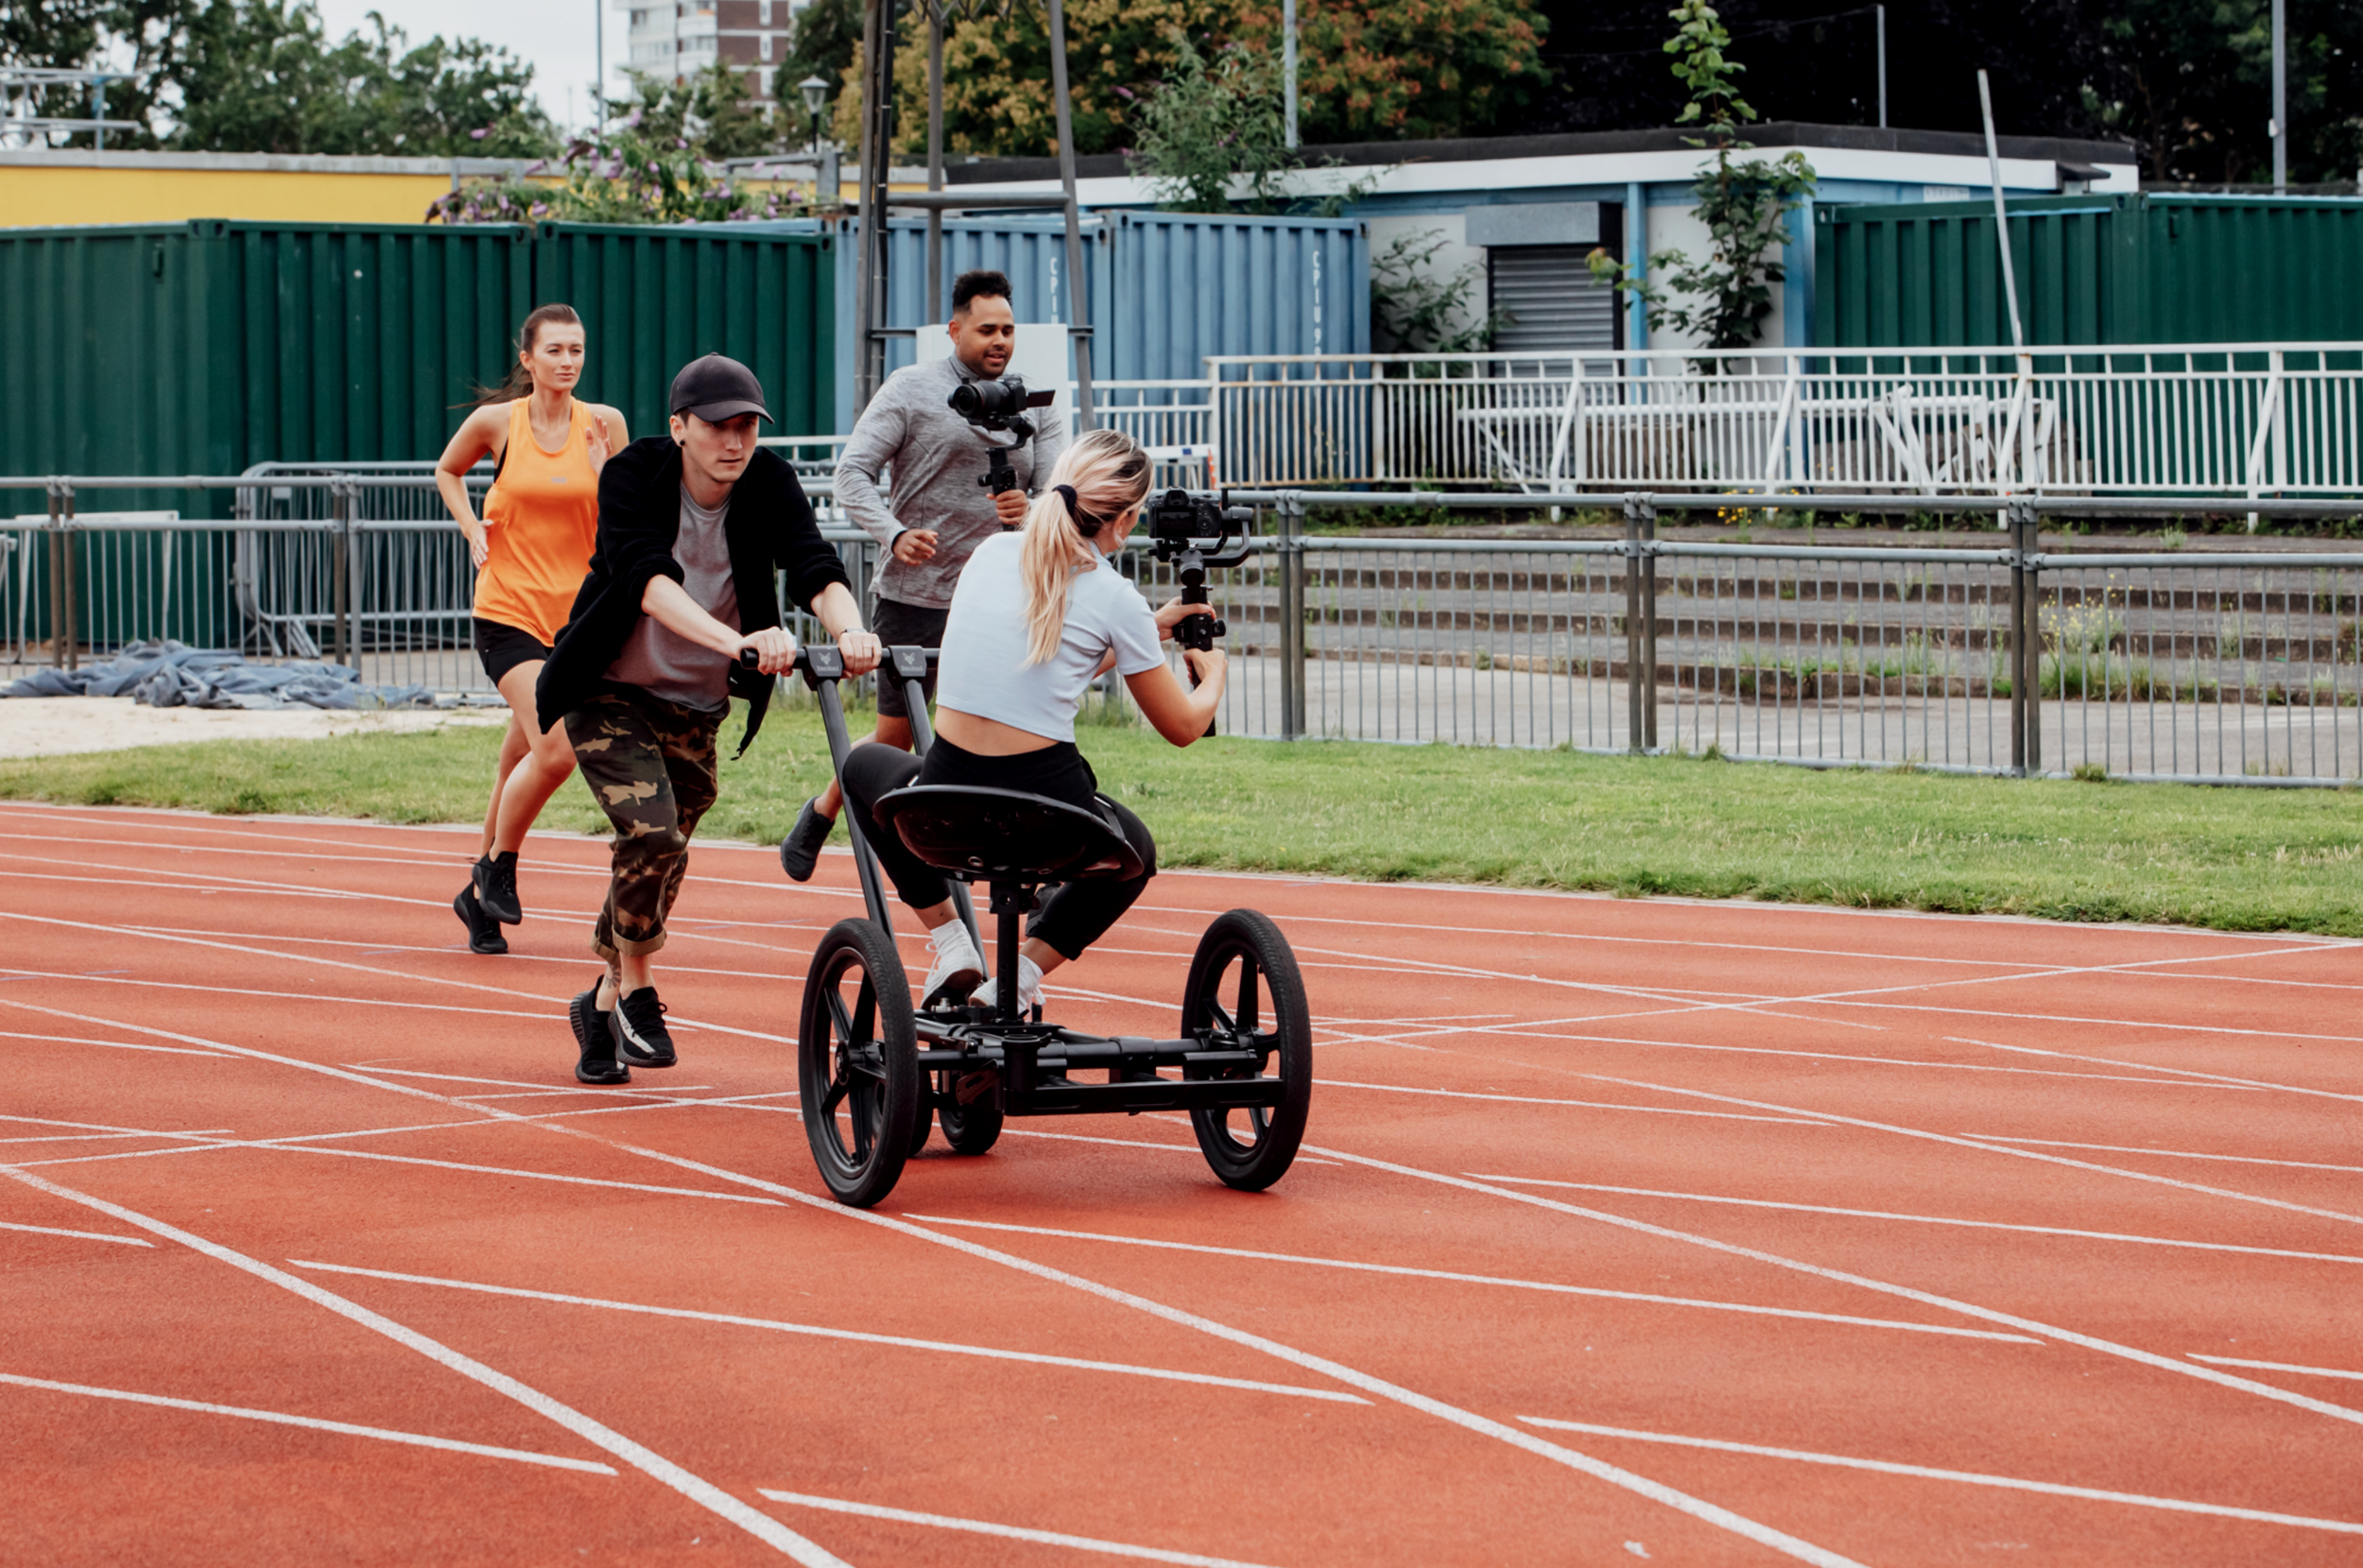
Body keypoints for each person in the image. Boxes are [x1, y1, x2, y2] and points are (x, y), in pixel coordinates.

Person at [537, 353, 882, 1085]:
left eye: (748, 426)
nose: (736, 441)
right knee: (651, 831)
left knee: (663, 855)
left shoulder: (769, 480)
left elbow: (812, 563)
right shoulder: (633, 475)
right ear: (679, 427)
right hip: (608, 687)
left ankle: (598, 1002)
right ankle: (636, 992)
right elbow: (647, 581)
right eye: (720, 426)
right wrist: (742, 643)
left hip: (695, 704)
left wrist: (851, 628)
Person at [838, 428, 1223, 1014]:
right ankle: (1017, 982)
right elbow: (1183, 726)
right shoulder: (1117, 598)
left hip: (946, 809)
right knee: (1135, 853)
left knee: (863, 764)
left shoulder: (990, 554)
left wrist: (1152, 628)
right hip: (1051, 824)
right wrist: (1215, 672)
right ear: (1124, 522)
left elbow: (1038, 667)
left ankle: (951, 943)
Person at [777, 267, 1067, 882]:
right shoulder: (911, 387)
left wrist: (1032, 509)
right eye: (987, 329)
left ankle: (1004, 863)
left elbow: (1061, 493)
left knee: (1006, 731)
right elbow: (852, 474)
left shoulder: (1036, 397)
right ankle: (823, 810)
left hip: (1002, 597)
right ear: (954, 329)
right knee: (896, 734)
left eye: (1009, 330)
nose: (1000, 341)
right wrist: (895, 532)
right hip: (918, 594)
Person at [434, 302, 629, 956]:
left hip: (575, 622)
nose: (568, 361)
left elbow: (628, 515)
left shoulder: (604, 424)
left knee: (520, 754)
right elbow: (446, 470)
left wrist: (607, 474)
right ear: (528, 359)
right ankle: (500, 866)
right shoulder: (497, 423)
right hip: (507, 611)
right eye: (554, 351)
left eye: (576, 349)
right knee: (557, 751)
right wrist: (472, 531)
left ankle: (475, 897)